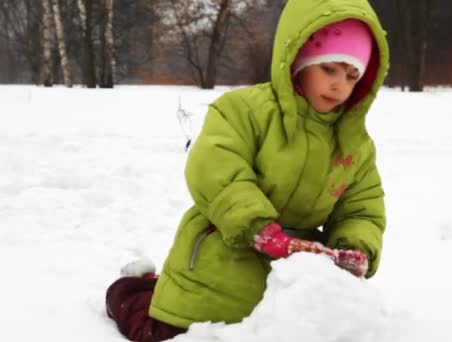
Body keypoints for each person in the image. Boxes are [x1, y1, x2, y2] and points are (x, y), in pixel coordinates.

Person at [105, 0, 390, 341]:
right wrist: (256, 226)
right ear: (298, 58)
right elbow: (215, 167)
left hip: (295, 269)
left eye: (351, 76)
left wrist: (354, 248)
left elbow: (363, 207)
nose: (340, 86)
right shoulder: (243, 111)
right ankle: (131, 289)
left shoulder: (354, 145)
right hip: (226, 248)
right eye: (329, 69)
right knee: (161, 331)